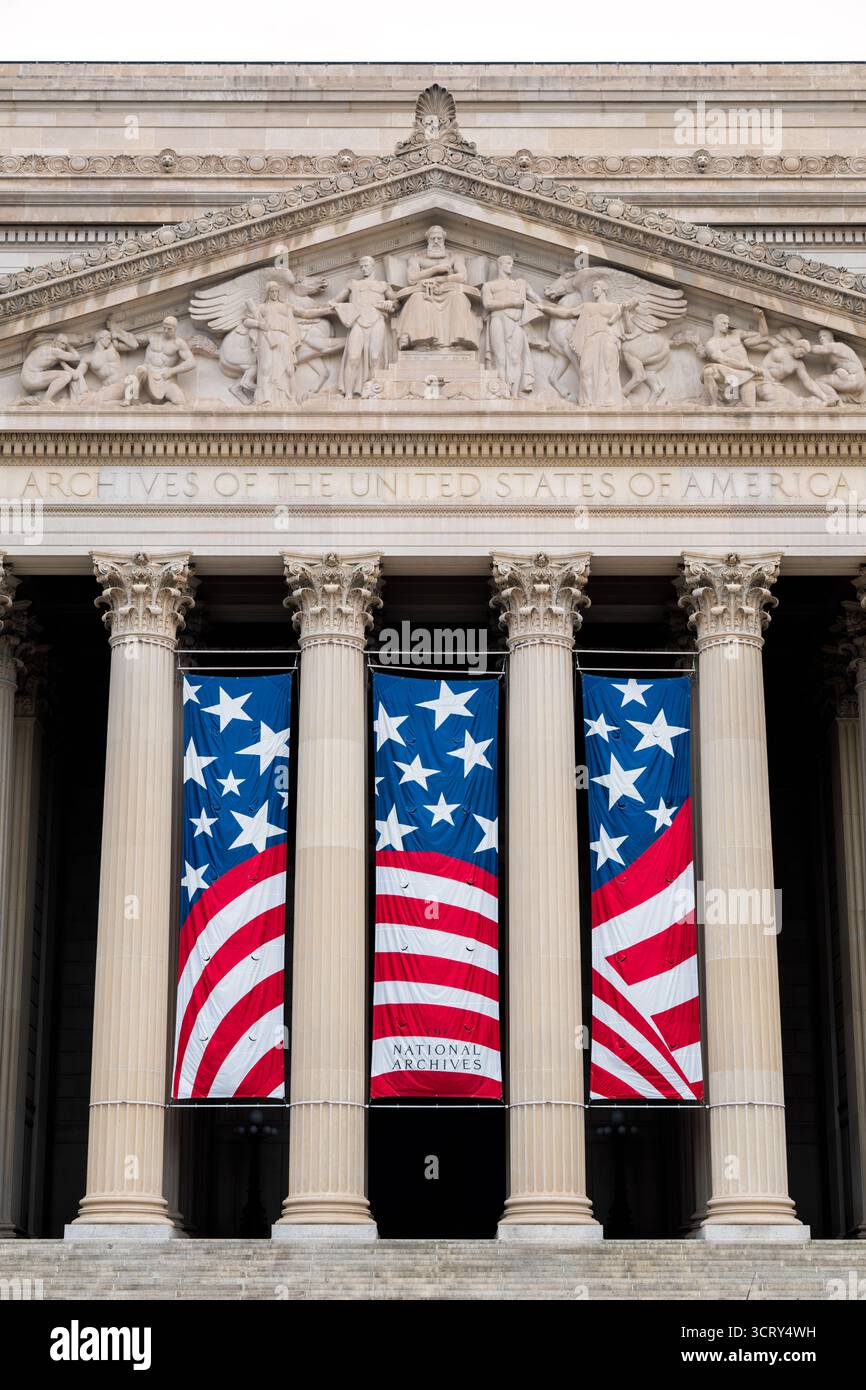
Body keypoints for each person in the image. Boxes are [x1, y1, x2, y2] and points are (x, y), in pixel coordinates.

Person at [396, 225, 479, 351]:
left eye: (439, 239)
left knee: (458, 297)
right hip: (425, 292)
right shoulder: (416, 258)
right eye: (433, 238)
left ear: (443, 240)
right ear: (428, 240)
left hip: (449, 291)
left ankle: (458, 342)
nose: (436, 241)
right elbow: (412, 278)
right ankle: (420, 342)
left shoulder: (455, 256)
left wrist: (440, 279)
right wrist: (436, 269)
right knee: (417, 299)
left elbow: (462, 276)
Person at [328, 256, 396, 397]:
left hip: (377, 319)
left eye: (366, 265)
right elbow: (335, 300)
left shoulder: (382, 285)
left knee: (375, 356)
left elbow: (396, 302)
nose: (364, 268)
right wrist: (333, 304)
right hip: (358, 321)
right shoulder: (353, 284)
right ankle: (348, 394)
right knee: (353, 357)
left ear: (373, 266)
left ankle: (371, 391)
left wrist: (391, 304)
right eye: (362, 266)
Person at [481, 255, 545, 396]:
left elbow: (537, 299)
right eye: (508, 263)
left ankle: (514, 393)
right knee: (500, 358)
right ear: (500, 265)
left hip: (516, 321)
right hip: (497, 319)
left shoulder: (520, 284)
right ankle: (503, 392)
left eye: (512, 264)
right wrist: (512, 303)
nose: (511, 266)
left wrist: (539, 307)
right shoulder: (489, 285)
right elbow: (488, 304)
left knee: (515, 358)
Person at [135, 316, 195, 406]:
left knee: (180, 401)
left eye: (169, 329)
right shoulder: (152, 336)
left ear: (175, 329)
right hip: (148, 375)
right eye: (164, 328)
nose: (166, 331)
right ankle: (132, 397)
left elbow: (192, 362)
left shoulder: (178, 343)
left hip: (165, 379)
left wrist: (172, 371)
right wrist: (118, 333)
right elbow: (132, 340)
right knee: (140, 369)